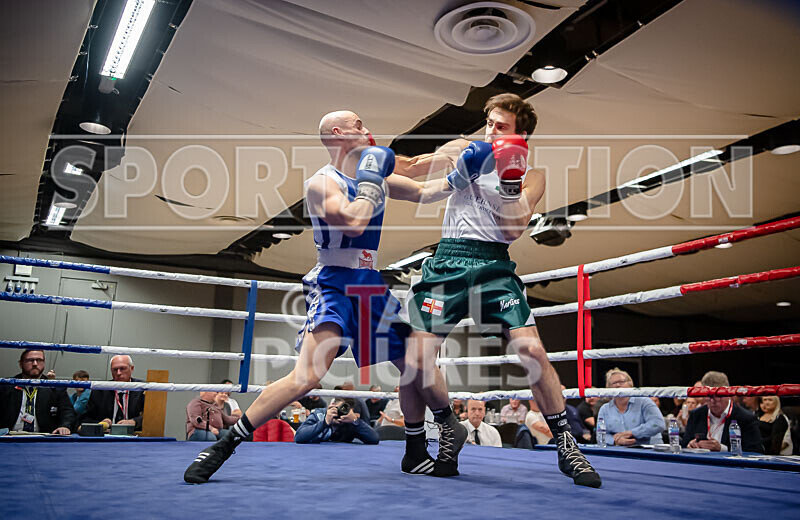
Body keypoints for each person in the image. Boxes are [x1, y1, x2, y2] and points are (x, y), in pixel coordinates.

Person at [184, 110, 468, 483]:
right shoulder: (323, 183)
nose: (369, 130)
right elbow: (351, 220)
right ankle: (223, 446)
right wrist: (371, 183)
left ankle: (419, 448)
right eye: (359, 125)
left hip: (368, 283)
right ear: (338, 134)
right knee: (307, 377)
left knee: (416, 358)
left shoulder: (375, 173)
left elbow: (424, 190)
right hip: (334, 283)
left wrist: (461, 165)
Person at [401, 93, 601, 486]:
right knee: (416, 359)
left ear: (521, 134)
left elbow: (512, 228)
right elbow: (413, 166)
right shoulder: (464, 147)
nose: (491, 131)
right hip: (448, 261)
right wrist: (363, 160)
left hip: (494, 262)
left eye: (501, 126)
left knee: (531, 350)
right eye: (489, 123)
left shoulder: (534, 175)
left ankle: (567, 445)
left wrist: (505, 183)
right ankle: (445, 427)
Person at [683, 371, 763, 453]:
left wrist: (722, 449)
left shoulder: (745, 418)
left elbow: (755, 451)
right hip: (700, 464)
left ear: (728, 394)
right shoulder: (696, 415)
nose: (713, 400)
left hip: (730, 465)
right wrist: (690, 445)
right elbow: (684, 444)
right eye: (709, 396)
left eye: (719, 396)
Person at [0, 349, 74, 435]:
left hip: (44, 440)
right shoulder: (5, 386)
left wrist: (65, 426)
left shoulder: (55, 387)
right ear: (21, 363)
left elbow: (68, 412)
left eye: (39, 360)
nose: (35, 364)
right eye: (30, 360)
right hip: (8, 438)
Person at [596, 368, 664, 446]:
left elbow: (658, 424)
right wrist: (615, 441)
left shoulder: (644, 401)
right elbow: (600, 435)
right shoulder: (605, 409)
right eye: (613, 383)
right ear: (608, 388)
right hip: (619, 451)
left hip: (649, 450)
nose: (618, 385)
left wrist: (631, 433)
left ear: (630, 383)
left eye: (621, 382)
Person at [84, 355, 145, 431]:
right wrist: (100, 424)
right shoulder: (100, 390)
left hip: (135, 434)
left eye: (122, 368)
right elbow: (86, 418)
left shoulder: (142, 388)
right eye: (115, 369)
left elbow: (152, 416)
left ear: (131, 368)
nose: (118, 373)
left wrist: (134, 422)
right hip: (106, 436)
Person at [295, 397, 379, 445]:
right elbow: (299, 437)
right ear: (331, 406)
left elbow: (374, 439)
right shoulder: (319, 415)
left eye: (345, 411)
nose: (341, 414)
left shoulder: (349, 422)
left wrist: (355, 421)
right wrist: (325, 422)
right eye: (338, 409)